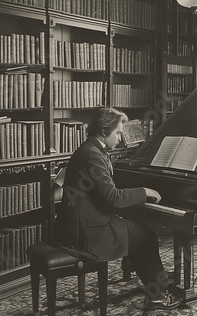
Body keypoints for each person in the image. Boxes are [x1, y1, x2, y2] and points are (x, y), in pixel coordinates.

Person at [52, 107, 182, 310]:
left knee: (138, 232)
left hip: (81, 223)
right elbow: (113, 197)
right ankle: (157, 294)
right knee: (146, 236)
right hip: (86, 233)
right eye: (118, 133)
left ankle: (155, 284)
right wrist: (144, 191)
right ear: (105, 131)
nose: (121, 139)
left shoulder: (89, 149)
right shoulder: (92, 155)